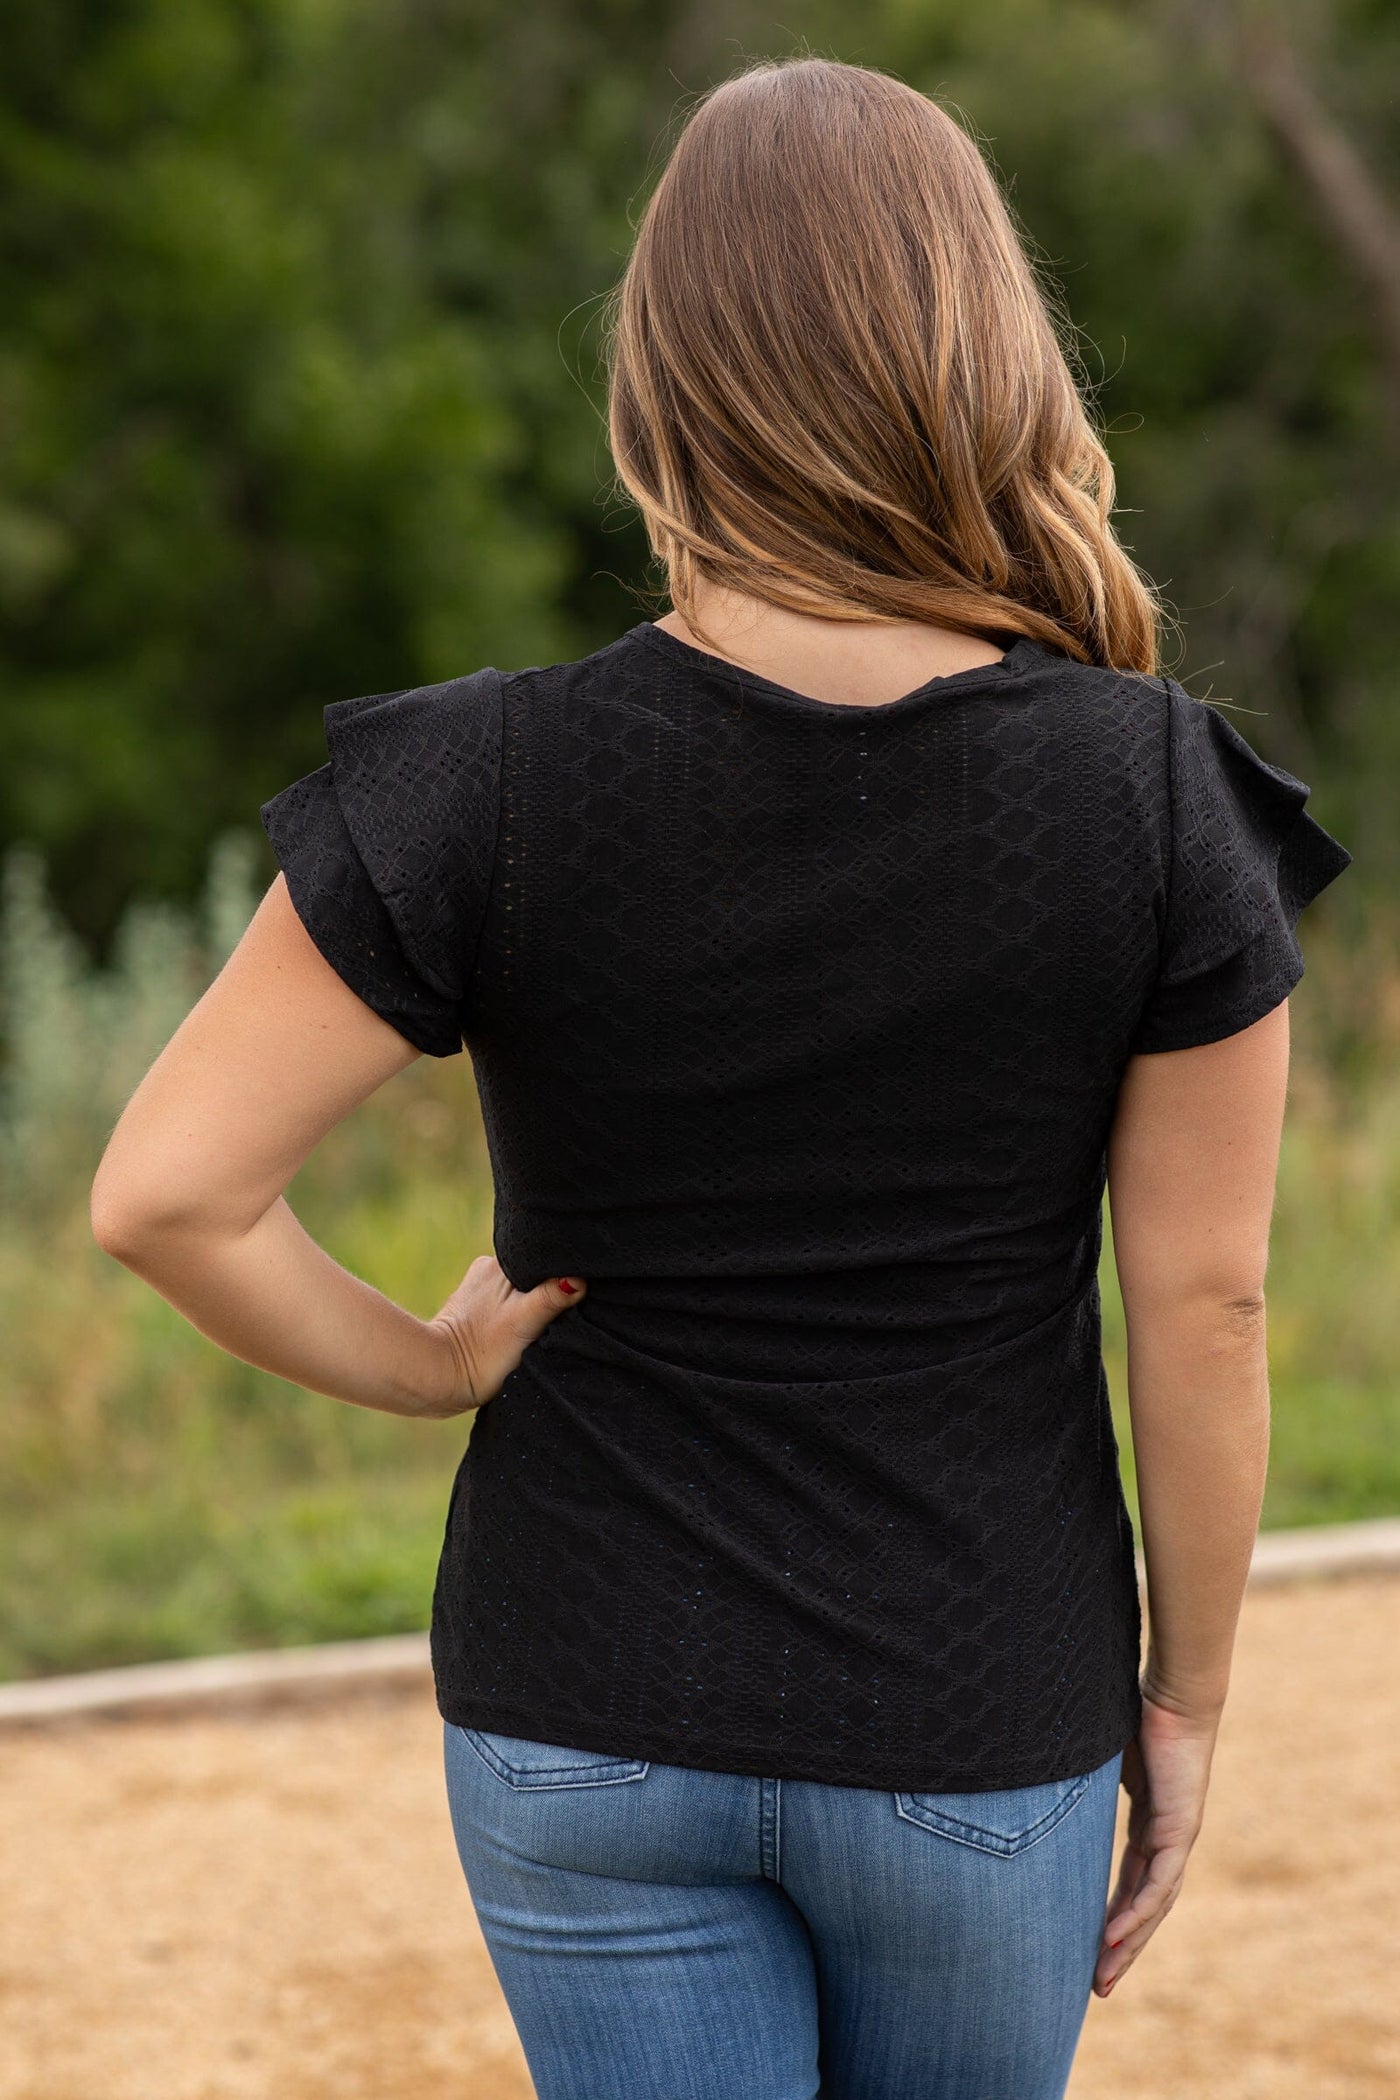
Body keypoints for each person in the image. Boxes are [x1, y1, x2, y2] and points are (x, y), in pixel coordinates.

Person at [91, 54, 1352, 2100]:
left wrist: (432, 1366)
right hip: (974, 1712)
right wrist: (1184, 1700)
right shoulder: (1150, 795)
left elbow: (164, 1196)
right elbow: (1204, 1306)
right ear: (984, 353)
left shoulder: (488, 779)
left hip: (583, 1702)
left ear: (661, 381)